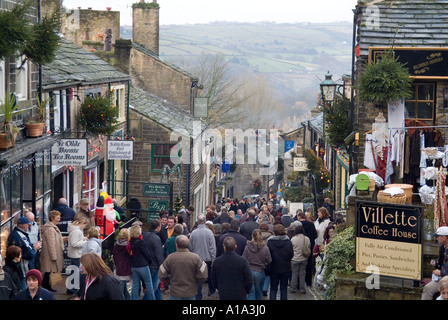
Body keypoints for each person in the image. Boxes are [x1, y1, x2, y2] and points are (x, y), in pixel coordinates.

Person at [158, 235, 208, 300]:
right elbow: (203, 275)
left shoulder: (170, 258)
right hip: (190, 292)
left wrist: (169, 281)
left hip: (175, 292)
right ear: (188, 244)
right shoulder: (196, 258)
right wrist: (196, 281)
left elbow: (161, 274)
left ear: (176, 245)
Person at [189, 214, 217, 299]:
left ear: (197, 222)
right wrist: (213, 259)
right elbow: (212, 247)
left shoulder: (193, 233)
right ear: (205, 222)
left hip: (196, 258)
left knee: (198, 278)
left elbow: (190, 246)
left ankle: (198, 294)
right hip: (207, 258)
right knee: (208, 275)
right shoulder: (209, 233)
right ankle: (211, 291)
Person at [7, 216, 40, 287]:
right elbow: (29, 253)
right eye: (28, 224)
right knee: (24, 286)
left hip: (19, 266)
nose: (29, 226)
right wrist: (35, 249)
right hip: (22, 267)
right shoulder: (19, 236)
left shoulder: (16, 234)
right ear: (23, 225)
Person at [242, 229, 272, 300]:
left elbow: (243, 259)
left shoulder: (247, 247)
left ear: (252, 236)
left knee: (251, 292)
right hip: (260, 271)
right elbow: (269, 260)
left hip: (249, 271)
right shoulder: (265, 248)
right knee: (259, 292)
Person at [267, 224, 294, 300]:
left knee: (273, 289)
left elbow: (268, 255)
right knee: (283, 289)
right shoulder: (288, 241)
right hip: (285, 268)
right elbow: (291, 254)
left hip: (274, 267)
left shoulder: (270, 242)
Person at [40, 210, 65, 292]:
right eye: (57, 218)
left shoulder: (52, 227)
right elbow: (51, 244)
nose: (59, 219)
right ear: (52, 218)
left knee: (49, 272)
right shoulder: (50, 229)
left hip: (51, 254)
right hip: (50, 256)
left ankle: (47, 287)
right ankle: (45, 288)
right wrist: (54, 257)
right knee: (49, 272)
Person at [128, 225, 155, 300]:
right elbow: (147, 254)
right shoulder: (141, 242)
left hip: (134, 266)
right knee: (148, 284)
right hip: (143, 265)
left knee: (135, 284)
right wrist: (149, 262)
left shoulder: (130, 242)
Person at [422, 226, 448, 300]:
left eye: (437, 236)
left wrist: (441, 272)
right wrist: (436, 262)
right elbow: (441, 262)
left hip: (445, 277)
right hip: (443, 278)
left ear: (444, 237)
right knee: (428, 288)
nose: (436, 238)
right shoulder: (442, 247)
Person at [143, 219, 165, 300]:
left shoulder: (146, 236)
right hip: (155, 265)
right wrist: (162, 266)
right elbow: (158, 253)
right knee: (154, 286)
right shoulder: (156, 238)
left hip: (148, 263)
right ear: (158, 227)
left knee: (154, 285)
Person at [295, 210, 317, 287]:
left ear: (299, 217)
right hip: (309, 247)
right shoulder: (311, 224)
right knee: (309, 264)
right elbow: (315, 235)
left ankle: (298, 283)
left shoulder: (298, 225)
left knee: (298, 266)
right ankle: (308, 282)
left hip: (298, 247)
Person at [67, 218, 88, 294]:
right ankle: (72, 288)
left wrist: (84, 239)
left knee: (74, 271)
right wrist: (84, 242)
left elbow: (77, 240)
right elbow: (74, 243)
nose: (85, 226)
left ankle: (70, 288)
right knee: (75, 272)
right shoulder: (77, 231)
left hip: (75, 253)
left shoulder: (77, 230)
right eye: (85, 224)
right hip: (75, 254)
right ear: (82, 223)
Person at [290, 223, 311, 294]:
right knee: (302, 274)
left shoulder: (293, 239)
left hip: (295, 258)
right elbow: (309, 247)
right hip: (304, 258)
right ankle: (302, 288)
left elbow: (291, 249)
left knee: (294, 274)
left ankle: (293, 288)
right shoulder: (307, 238)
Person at [112, 228, 132, 300]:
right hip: (126, 266)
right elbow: (130, 255)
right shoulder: (128, 245)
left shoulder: (116, 244)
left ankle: (128, 298)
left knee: (123, 286)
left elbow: (114, 255)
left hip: (118, 266)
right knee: (122, 286)